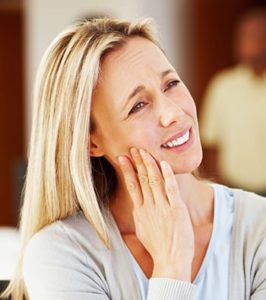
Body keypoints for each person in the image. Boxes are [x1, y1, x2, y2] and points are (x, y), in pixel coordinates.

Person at [2, 17, 266, 300]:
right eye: (138, 105)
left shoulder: (258, 226)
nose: (174, 113)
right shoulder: (60, 253)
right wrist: (171, 267)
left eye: (171, 84)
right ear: (90, 141)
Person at [200, 6, 266, 195]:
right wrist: (220, 191)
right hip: (236, 191)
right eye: (244, 36)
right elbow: (211, 145)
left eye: (257, 35)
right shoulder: (223, 86)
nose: (249, 42)